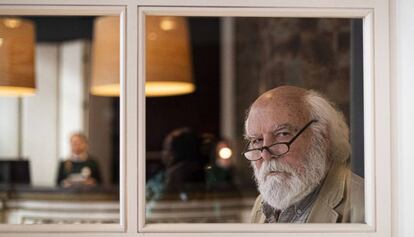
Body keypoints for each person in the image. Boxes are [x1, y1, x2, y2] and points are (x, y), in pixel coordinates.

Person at [244, 86, 364, 223]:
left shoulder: (366, 208)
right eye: (257, 140)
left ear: (322, 136)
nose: (265, 155)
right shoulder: (261, 205)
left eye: (283, 134)